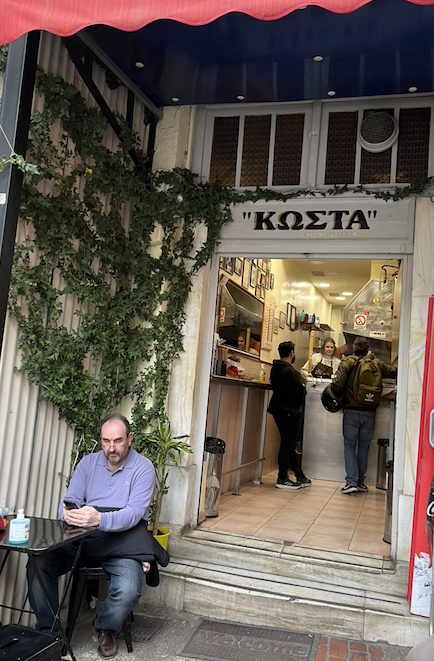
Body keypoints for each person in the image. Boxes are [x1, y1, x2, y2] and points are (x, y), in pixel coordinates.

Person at [27, 413, 156, 659]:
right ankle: (50, 634)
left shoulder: (143, 468)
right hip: (83, 537)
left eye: (118, 441)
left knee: (129, 589)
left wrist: (99, 519)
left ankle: (105, 626)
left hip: (122, 541)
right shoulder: (88, 463)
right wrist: (68, 512)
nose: (111, 447)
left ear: (129, 439)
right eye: (106, 441)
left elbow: (134, 514)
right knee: (38, 563)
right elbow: (71, 499)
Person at [331, 337, 397, 495]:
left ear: (354, 348)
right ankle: (360, 482)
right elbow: (394, 372)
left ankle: (351, 482)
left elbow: (337, 385)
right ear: (368, 349)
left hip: (352, 411)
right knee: (364, 446)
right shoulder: (377, 363)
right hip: (370, 411)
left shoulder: (347, 362)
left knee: (350, 445)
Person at [268, 341, 311, 490]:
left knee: (289, 443)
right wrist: (303, 388)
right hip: (289, 411)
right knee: (287, 445)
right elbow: (300, 392)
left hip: (278, 409)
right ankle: (282, 478)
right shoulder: (290, 372)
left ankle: (299, 475)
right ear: (292, 353)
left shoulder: (275, 368)